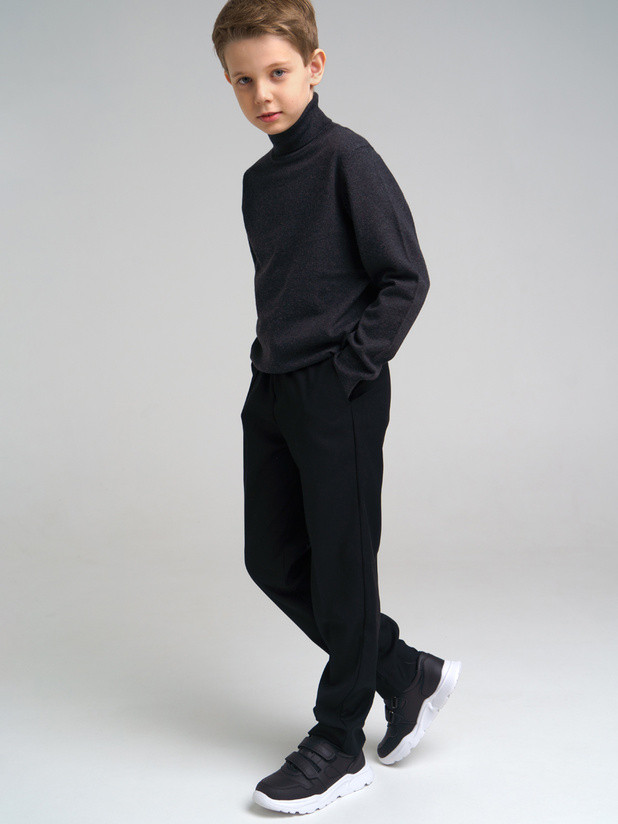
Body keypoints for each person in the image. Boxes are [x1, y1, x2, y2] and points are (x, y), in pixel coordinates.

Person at [211, 0, 461, 814]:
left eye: (277, 73)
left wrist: (349, 369)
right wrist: (267, 371)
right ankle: (403, 670)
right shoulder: (257, 183)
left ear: (314, 68)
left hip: (337, 390)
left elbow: (405, 277)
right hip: (274, 389)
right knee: (272, 559)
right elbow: (286, 287)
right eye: (242, 81)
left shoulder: (348, 159)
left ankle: (339, 741)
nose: (262, 94)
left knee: (344, 566)